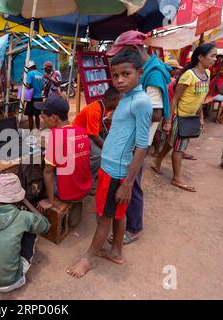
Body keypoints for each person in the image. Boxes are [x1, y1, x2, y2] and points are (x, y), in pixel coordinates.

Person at [67, 50, 152, 278]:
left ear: (140, 73)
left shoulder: (142, 102)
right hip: (111, 167)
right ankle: (116, 251)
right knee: (117, 213)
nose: (120, 80)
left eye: (126, 74)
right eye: (115, 76)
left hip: (117, 171)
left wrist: (128, 184)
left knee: (103, 217)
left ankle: (89, 258)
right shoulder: (127, 97)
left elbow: (143, 146)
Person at [106, 30, 171, 245]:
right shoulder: (147, 72)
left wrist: (128, 112)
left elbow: (156, 113)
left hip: (136, 142)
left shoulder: (152, 74)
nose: (120, 79)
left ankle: (133, 228)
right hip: (129, 141)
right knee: (130, 184)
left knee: (131, 184)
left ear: (133, 50)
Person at [152, 43, 217, 192]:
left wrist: (200, 117)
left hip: (191, 117)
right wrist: (168, 120)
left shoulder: (206, 74)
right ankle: (176, 178)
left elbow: (201, 99)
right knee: (179, 147)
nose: (214, 59)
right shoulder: (189, 75)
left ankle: (157, 160)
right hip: (180, 117)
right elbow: (174, 98)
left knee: (172, 142)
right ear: (201, 57)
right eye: (212, 56)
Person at [0, 173, 50, 292]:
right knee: (31, 231)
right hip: (11, 281)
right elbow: (45, 225)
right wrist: (26, 202)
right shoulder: (24, 217)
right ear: (19, 198)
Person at [35, 95, 92, 210]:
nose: (42, 120)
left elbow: (48, 172)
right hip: (85, 188)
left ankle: (51, 198)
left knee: (42, 171)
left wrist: (50, 201)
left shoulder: (57, 136)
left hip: (68, 194)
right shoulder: (81, 130)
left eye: (43, 117)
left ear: (54, 117)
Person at [72, 87, 121, 192]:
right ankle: (83, 179)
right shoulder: (95, 110)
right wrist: (108, 150)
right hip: (77, 136)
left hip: (85, 134)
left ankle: (93, 174)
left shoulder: (101, 106)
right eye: (119, 101)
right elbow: (94, 135)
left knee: (107, 144)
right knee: (100, 155)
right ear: (114, 100)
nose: (119, 104)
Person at [25, 60, 44, 131]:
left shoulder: (30, 73)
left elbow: (28, 86)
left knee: (30, 116)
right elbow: (42, 87)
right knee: (37, 116)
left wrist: (26, 85)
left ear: (30, 67)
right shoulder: (40, 74)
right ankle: (38, 129)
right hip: (39, 98)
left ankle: (31, 131)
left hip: (32, 98)